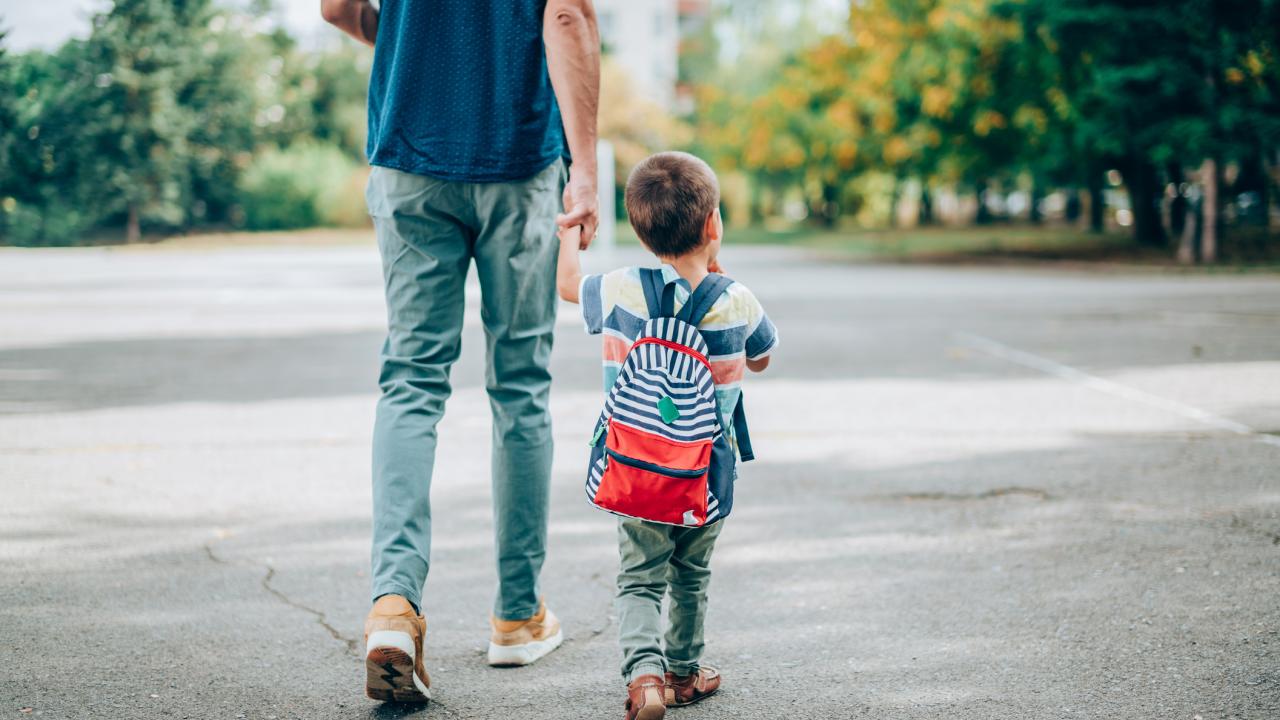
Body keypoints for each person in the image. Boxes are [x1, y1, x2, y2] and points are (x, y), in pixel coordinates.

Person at [319, 0, 601, 704]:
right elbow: (565, 16)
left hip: (410, 148)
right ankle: (516, 615)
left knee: (411, 381)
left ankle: (393, 606)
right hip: (518, 153)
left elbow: (338, 7)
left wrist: (417, 41)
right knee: (520, 385)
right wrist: (587, 165)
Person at [556, 151, 778, 720]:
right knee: (691, 575)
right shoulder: (738, 300)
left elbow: (566, 288)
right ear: (713, 225)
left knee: (639, 577)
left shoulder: (621, 289)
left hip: (635, 468)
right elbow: (762, 359)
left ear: (639, 229)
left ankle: (645, 678)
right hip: (705, 474)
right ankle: (683, 672)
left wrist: (569, 233)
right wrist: (719, 276)